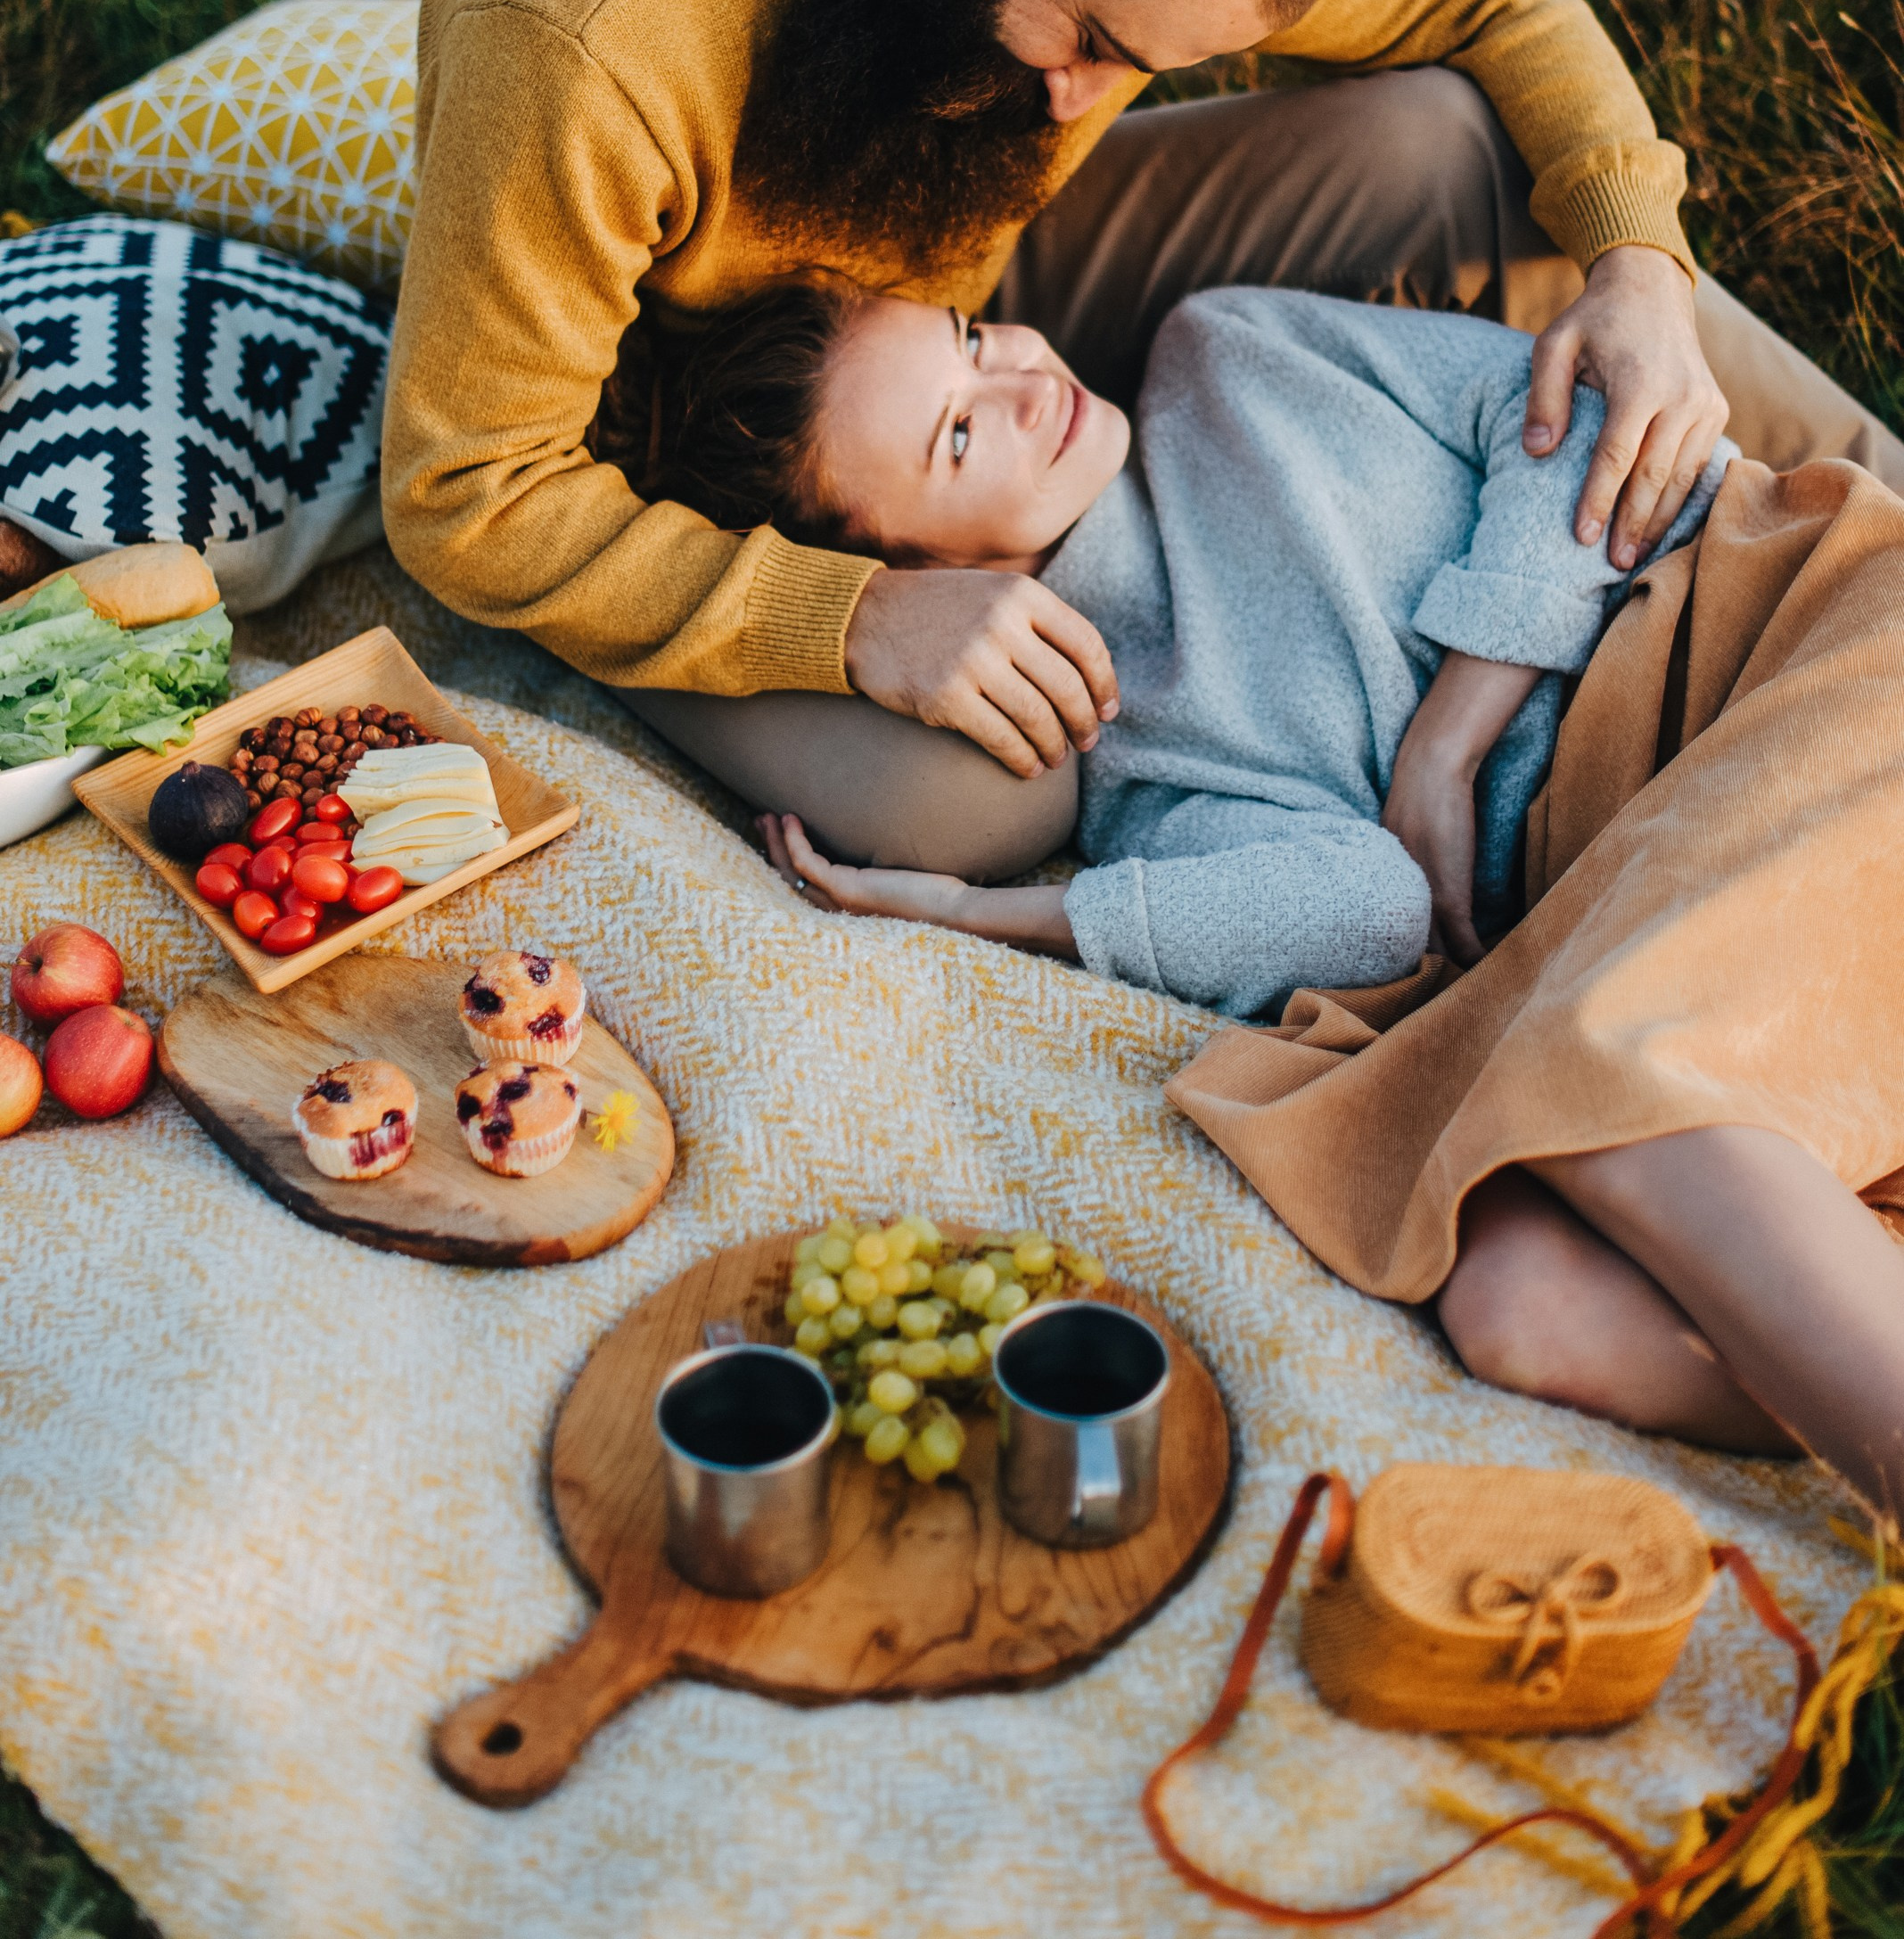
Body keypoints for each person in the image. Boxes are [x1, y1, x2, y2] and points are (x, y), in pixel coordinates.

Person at [383, 0, 1904, 878]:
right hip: (752, 435)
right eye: (1103, 44)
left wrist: (1641, 268)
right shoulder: (583, 30)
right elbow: (466, 490)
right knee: (995, 792)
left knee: (1461, 153)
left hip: (960, 315)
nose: (1086, 108)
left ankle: (1878, 520)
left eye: (1143, 69)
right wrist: (842, 617)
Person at [661, 274, 1904, 1522]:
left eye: (973, 340)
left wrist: (1449, 737)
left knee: (1620, 1094)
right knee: (1523, 1308)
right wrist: (976, 911)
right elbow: (1368, 906)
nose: (1026, 383)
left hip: (1784, 645)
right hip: (1629, 900)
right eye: (959, 435)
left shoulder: (1226, 344)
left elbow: (1577, 420)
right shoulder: (1132, 751)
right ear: (916, 576)